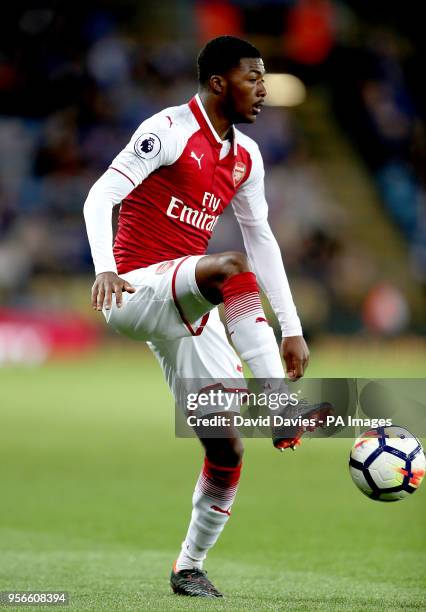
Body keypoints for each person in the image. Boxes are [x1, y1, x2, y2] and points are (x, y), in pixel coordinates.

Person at [84, 36, 315, 598]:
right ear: (218, 83)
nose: (262, 89)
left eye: (264, 79)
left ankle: (188, 567)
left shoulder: (245, 157)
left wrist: (291, 327)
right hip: (137, 289)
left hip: (187, 305)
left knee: (225, 445)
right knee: (228, 267)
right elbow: (99, 197)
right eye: (252, 78)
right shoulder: (166, 131)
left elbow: (264, 243)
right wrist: (105, 267)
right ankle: (278, 405)